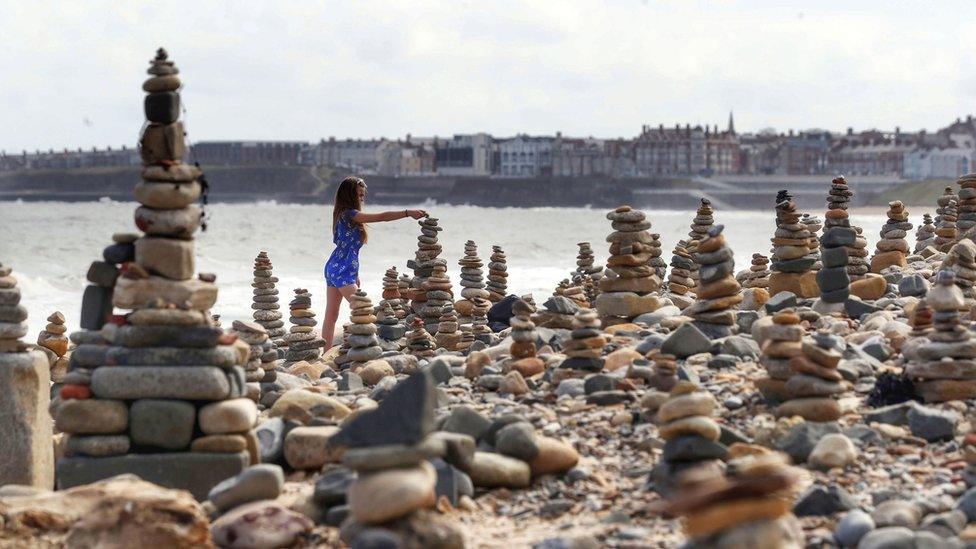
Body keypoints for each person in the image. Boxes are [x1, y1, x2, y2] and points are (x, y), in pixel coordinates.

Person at [323, 176, 427, 349]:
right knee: (364, 310)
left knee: (332, 315)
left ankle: (325, 354)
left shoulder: (341, 215)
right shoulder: (350, 215)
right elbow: (383, 217)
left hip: (336, 268)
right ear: (349, 196)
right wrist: (408, 213)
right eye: (359, 195)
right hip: (341, 271)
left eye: (363, 195)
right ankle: (371, 346)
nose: (362, 198)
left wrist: (355, 274)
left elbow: (348, 251)